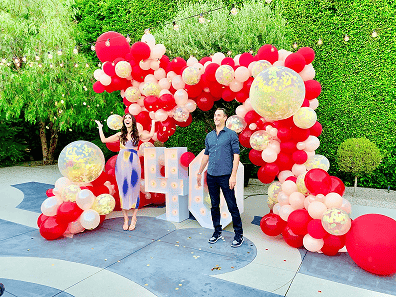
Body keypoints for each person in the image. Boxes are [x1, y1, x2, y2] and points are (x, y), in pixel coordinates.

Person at [95, 114, 156, 231]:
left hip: (133, 162)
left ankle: (134, 218)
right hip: (122, 162)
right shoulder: (120, 134)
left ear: (132, 121)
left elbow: (151, 135)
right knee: (123, 189)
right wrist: (100, 127)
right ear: (123, 122)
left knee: (134, 188)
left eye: (129, 118)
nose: (127, 120)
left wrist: (153, 122)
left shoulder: (138, 134)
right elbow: (104, 140)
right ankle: (126, 219)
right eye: (125, 118)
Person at [197, 108, 244, 248]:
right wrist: (199, 172)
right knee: (214, 205)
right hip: (211, 175)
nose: (216, 117)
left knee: (232, 205)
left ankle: (238, 234)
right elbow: (206, 155)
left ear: (225, 118)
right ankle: (217, 231)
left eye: (219, 115)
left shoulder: (231, 135)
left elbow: (236, 155)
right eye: (215, 115)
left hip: (226, 176)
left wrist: (233, 175)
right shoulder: (209, 136)